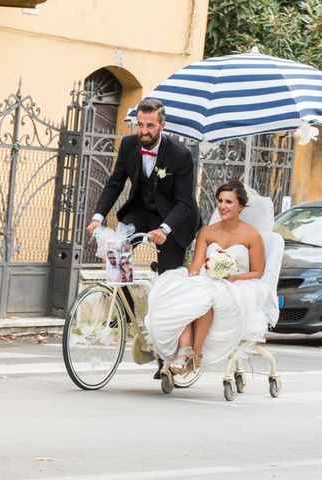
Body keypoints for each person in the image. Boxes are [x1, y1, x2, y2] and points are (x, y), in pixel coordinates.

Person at [145, 180, 279, 373]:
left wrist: (233, 277)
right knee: (181, 291)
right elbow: (198, 262)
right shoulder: (207, 232)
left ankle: (195, 353)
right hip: (209, 279)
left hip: (237, 285)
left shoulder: (252, 235)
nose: (223, 206)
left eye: (229, 202)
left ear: (241, 206)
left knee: (208, 298)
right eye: (220, 201)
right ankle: (185, 350)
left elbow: (258, 271)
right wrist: (193, 273)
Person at [86, 98, 201, 274]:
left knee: (168, 277)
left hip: (174, 218)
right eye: (140, 125)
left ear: (162, 125)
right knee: (117, 259)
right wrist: (98, 217)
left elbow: (184, 201)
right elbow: (115, 184)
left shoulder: (180, 154)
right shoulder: (128, 145)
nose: (144, 131)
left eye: (150, 126)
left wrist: (164, 229)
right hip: (141, 210)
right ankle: (121, 300)